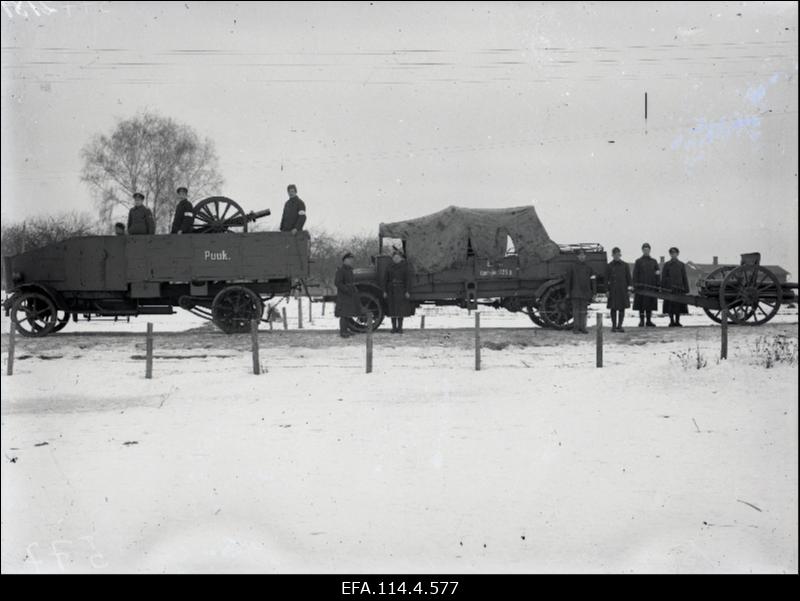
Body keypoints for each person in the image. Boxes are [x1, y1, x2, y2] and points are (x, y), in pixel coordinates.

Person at [382, 249, 414, 333]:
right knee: (392, 309)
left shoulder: (405, 267)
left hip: (401, 290)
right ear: (392, 258)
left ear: (400, 258)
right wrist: (384, 291)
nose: (396, 259)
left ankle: (400, 328)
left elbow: (408, 280)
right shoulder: (389, 267)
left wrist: (407, 291)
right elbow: (385, 279)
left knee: (400, 310)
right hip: (391, 290)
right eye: (394, 257)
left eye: (397, 257)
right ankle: (393, 327)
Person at [565, 249, 596, 334]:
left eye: (583, 255)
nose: (582, 257)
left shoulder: (589, 268)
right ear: (577, 256)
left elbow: (593, 281)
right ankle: (576, 328)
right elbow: (568, 281)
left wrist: (594, 293)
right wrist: (568, 292)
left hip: (585, 293)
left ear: (585, 257)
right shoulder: (572, 267)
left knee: (584, 311)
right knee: (576, 311)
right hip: (575, 293)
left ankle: (583, 327)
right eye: (580, 255)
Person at [632, 242, 660, 327]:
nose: (646, 251)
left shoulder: (654, 261)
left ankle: (648, 321)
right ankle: (641, 321)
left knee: (649, 305)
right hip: (641, 287)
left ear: (650, 250)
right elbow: (635, 274)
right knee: (641, 305)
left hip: (651, 287)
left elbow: (658, 274)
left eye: (647, 250)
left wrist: (657, 285)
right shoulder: (638, 261)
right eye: (644, 250)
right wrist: (635, 285)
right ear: (642, 250)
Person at [334, 252, 362, 338]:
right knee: (343, 314)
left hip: (349, 295)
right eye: (349, 260)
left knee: (347, 313)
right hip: (344, 295)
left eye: (352, 260)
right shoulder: (341, 270)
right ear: (344, 261)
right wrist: (346, 289)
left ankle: (346, 330)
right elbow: (337, 283)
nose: (351, 261)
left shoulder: (349, 270)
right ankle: (343, 332)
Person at [605, 247, 632, 333]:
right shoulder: (609, 266)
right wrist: (607, 290)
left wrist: (629, 290)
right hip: (613, 290)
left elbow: (629, 279)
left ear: (620, 255)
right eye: (615, 254)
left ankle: (620, 326)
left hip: (622, 290)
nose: (616, 256)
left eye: (618, 254)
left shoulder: (625, 265)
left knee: (622, 309)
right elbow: (606, 279)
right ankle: (613, 326)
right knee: (613, 309)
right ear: (612, 255)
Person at [661, 246, 689, 327]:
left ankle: (677, 321)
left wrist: (686, 288)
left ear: (677, 254)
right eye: (672, 253)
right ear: (670, 254)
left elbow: (684, 277)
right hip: (669, 289)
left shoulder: (681, 265)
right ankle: (671, 321)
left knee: (678, 305)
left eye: (675, 253)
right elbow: (663, 276)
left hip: (679, 288)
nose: (673, 255)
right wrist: (664, 287)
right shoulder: (667, 265)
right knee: (670, 306)